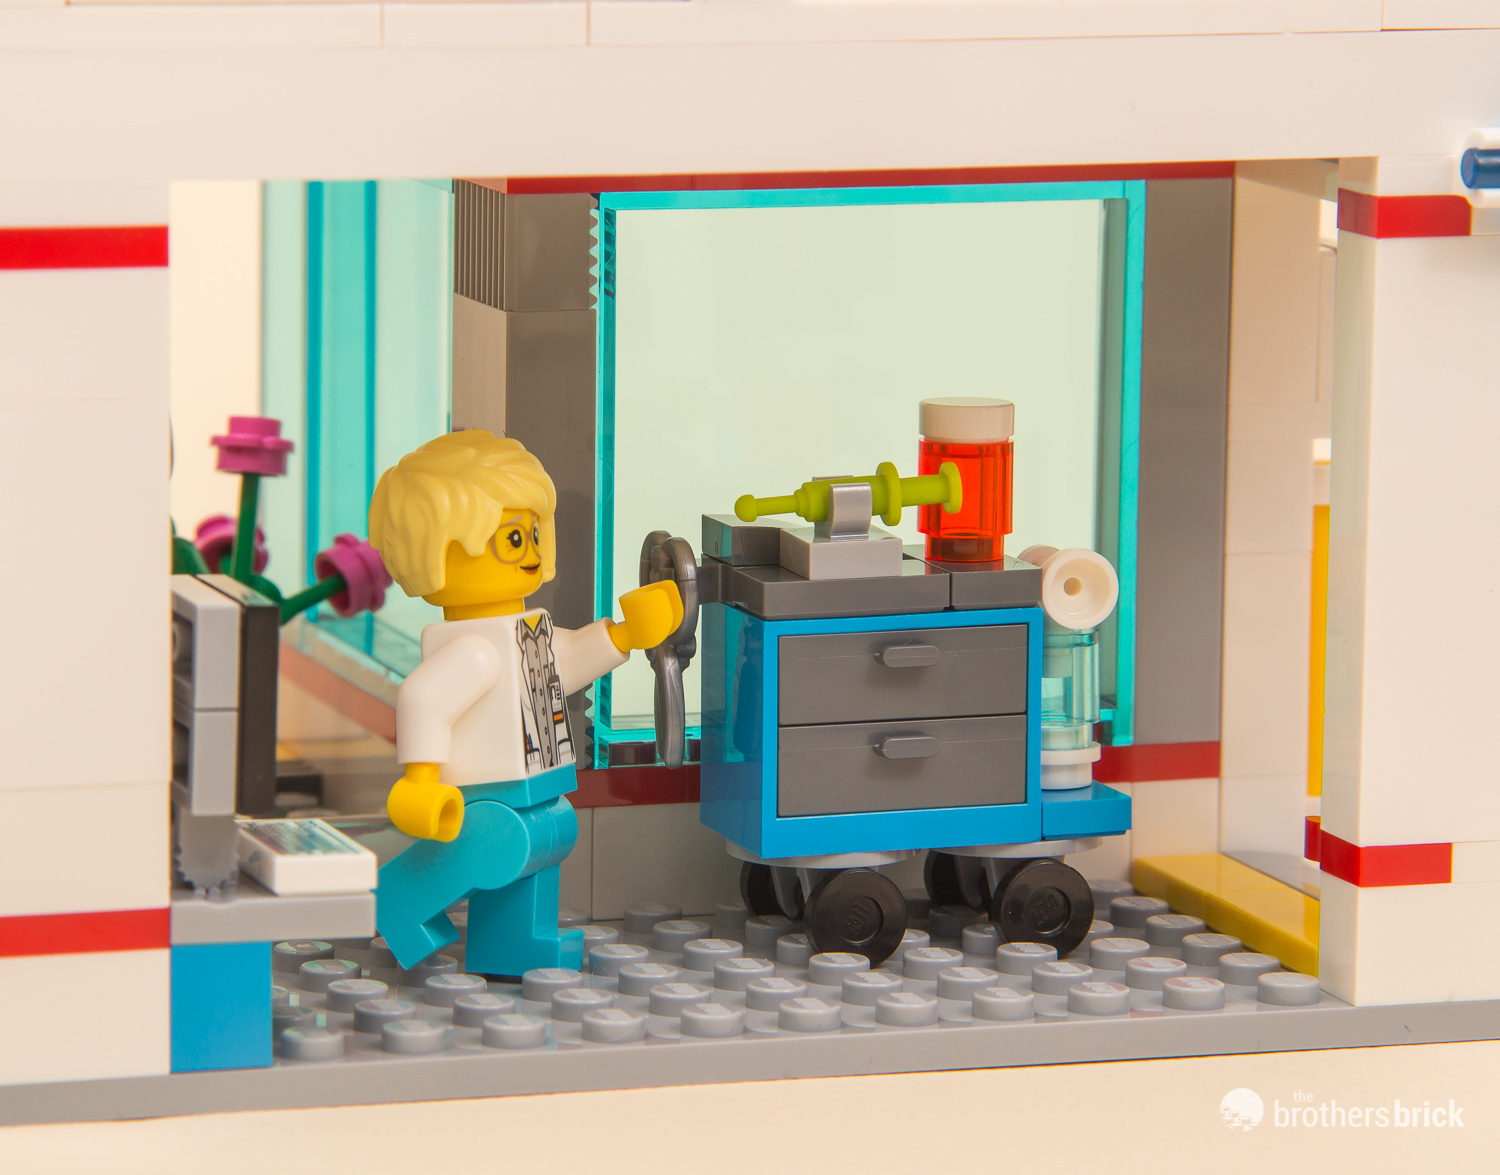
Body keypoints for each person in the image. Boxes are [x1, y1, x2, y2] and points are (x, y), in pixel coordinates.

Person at [367, 430, 681, 976]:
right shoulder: (471, 649)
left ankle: (514, 944)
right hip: (484, 792)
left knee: (537, 847)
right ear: (438, 552)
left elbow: (563, 662)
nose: (533, 552)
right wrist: (420, 779)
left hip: (537, 782)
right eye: (514, 539)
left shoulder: (522, 632)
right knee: (504, 848)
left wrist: (627, 634)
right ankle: (396, 904)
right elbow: (422, 699)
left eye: (533, 534)